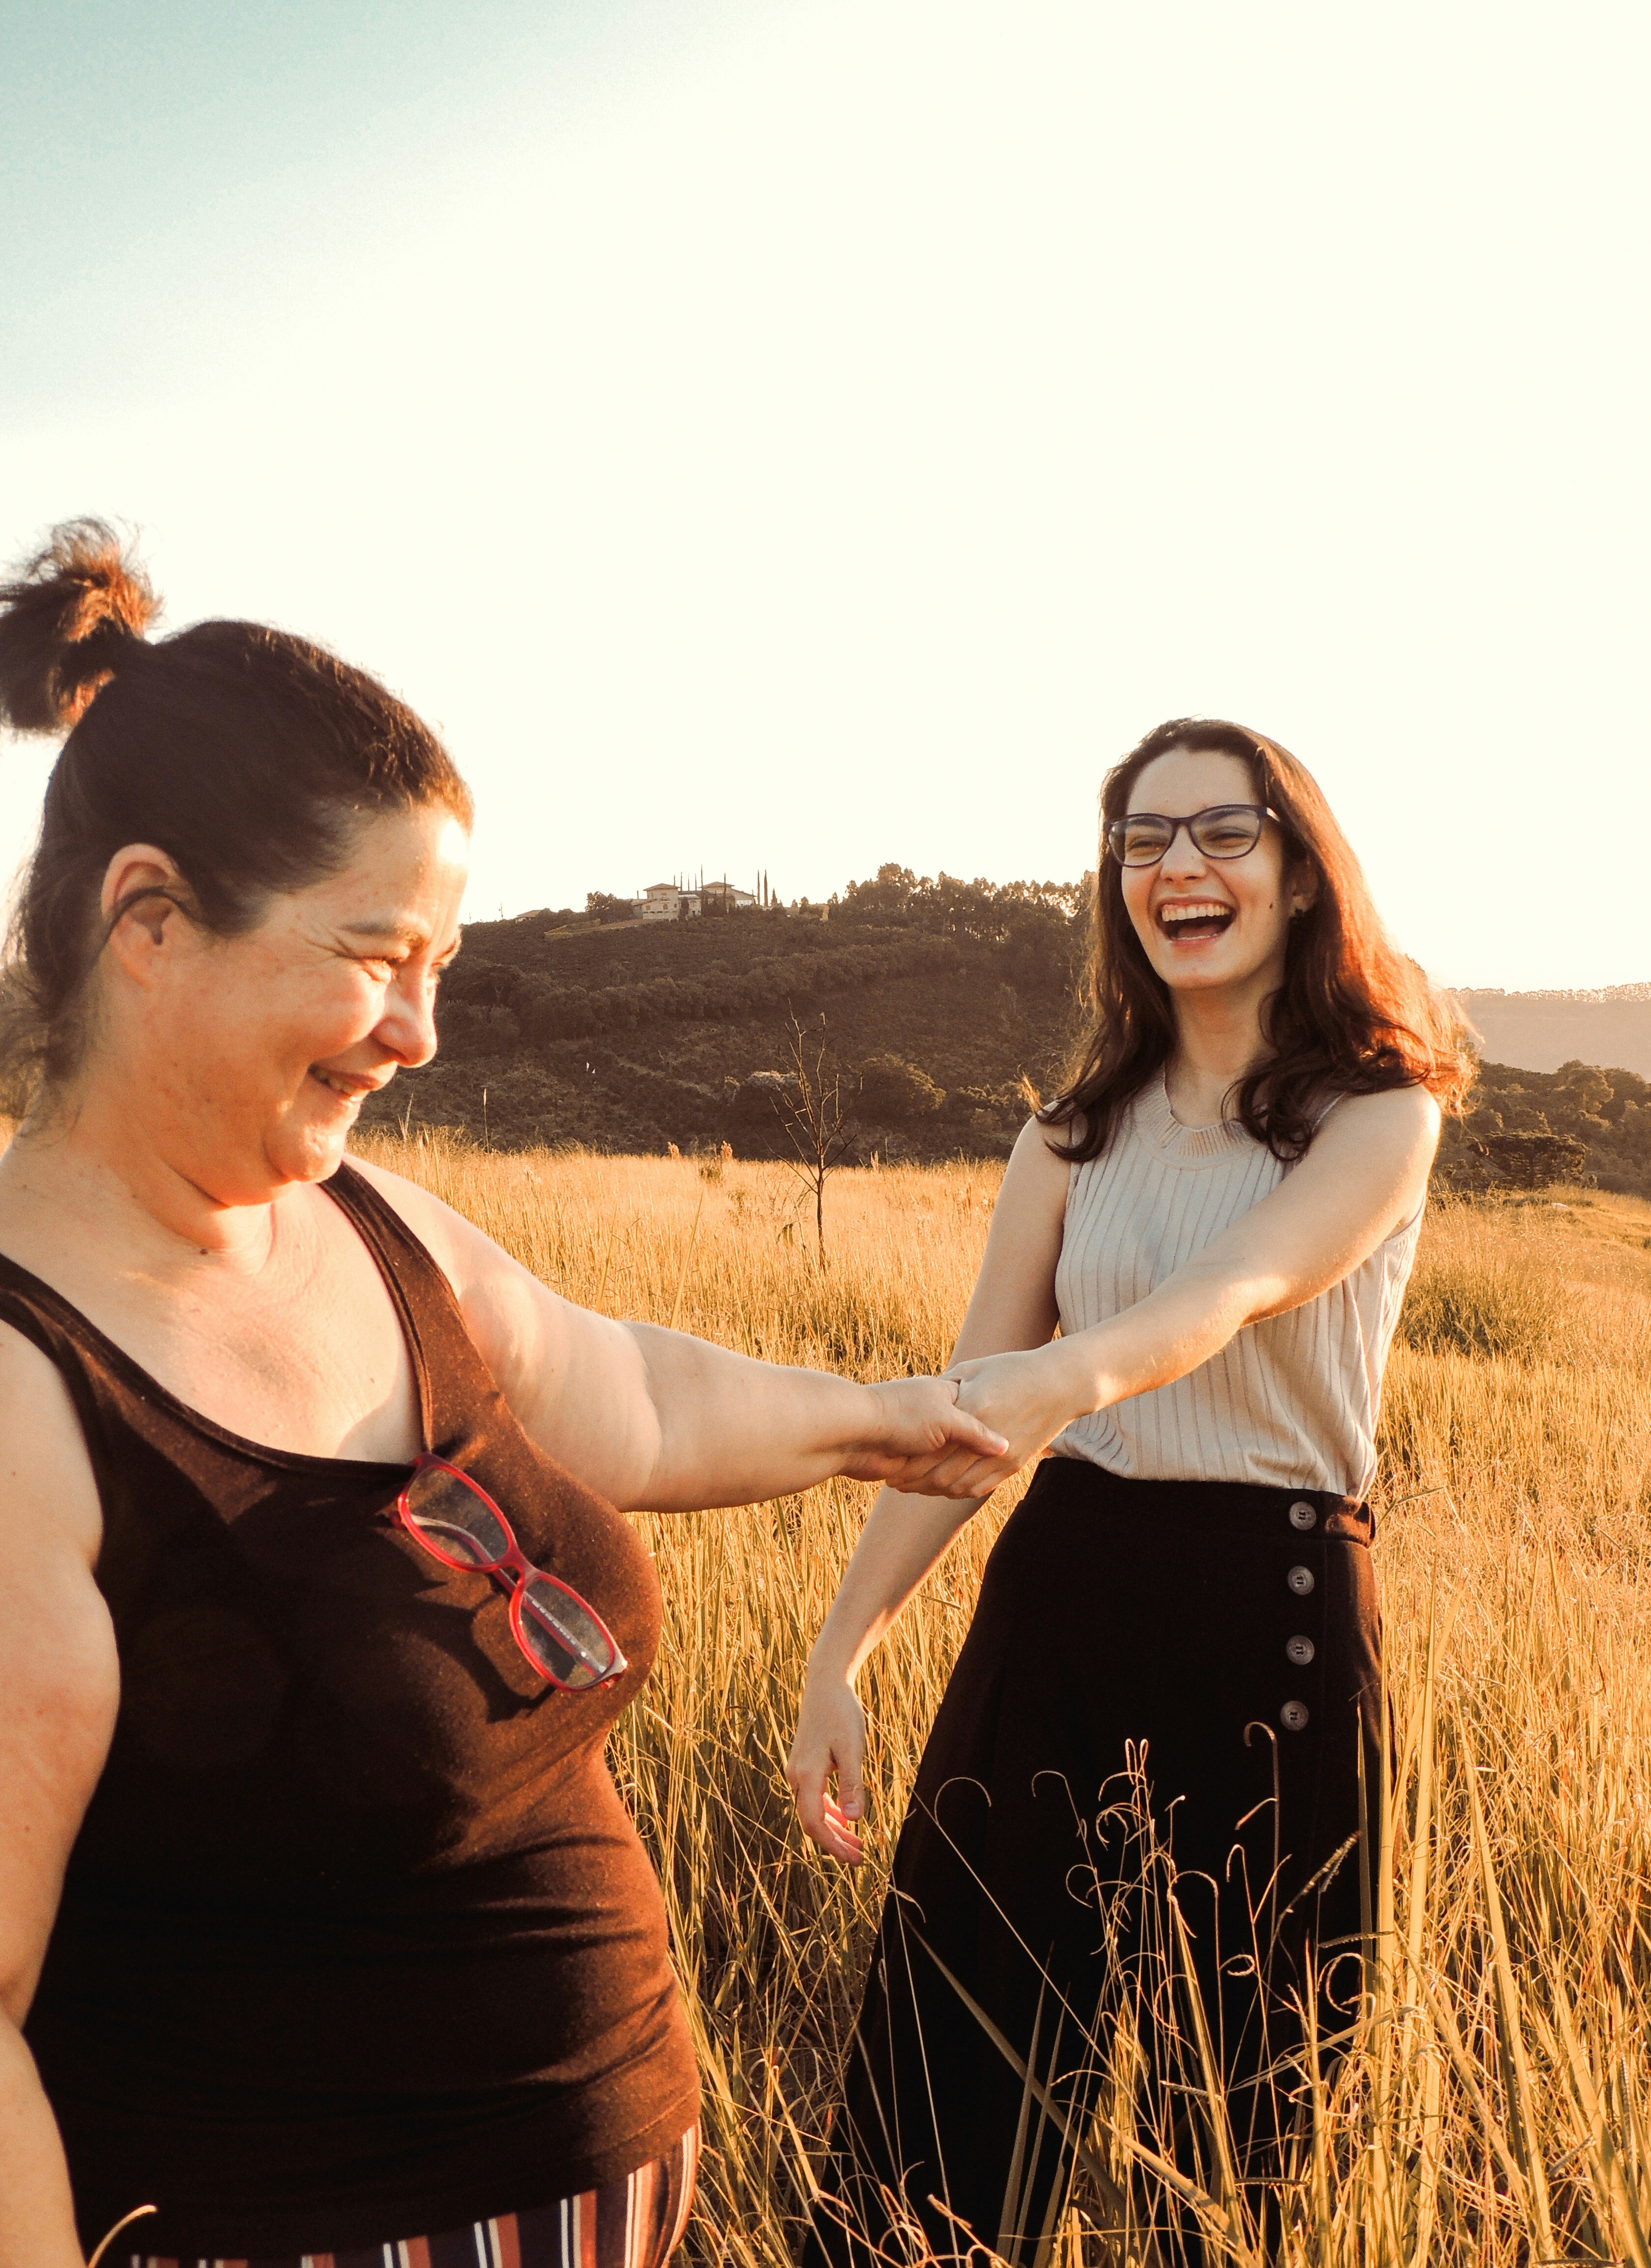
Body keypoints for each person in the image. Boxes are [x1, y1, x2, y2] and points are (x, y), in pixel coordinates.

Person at [0, 521, 1008, 2268]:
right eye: (377, 955)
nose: (420, 1034)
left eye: (443, 970)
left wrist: (876, 1420)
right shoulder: (25, 1392)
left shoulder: (365, 1227)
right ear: (149, 919)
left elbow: (630, 1396)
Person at [787, 719, 1470, 2263]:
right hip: (1060, 1598)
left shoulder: (1377, 1113)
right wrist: (848, 1643)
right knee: (941, 2094)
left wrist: (1057, 1379)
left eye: (1225, 834)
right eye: (1146, 841)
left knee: (1239, 2137)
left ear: (1301, 875)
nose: (1181, 868)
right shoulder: (1070, 1134)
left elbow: (1236, 1289)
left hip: (1272, 1621)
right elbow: (963, 1420)